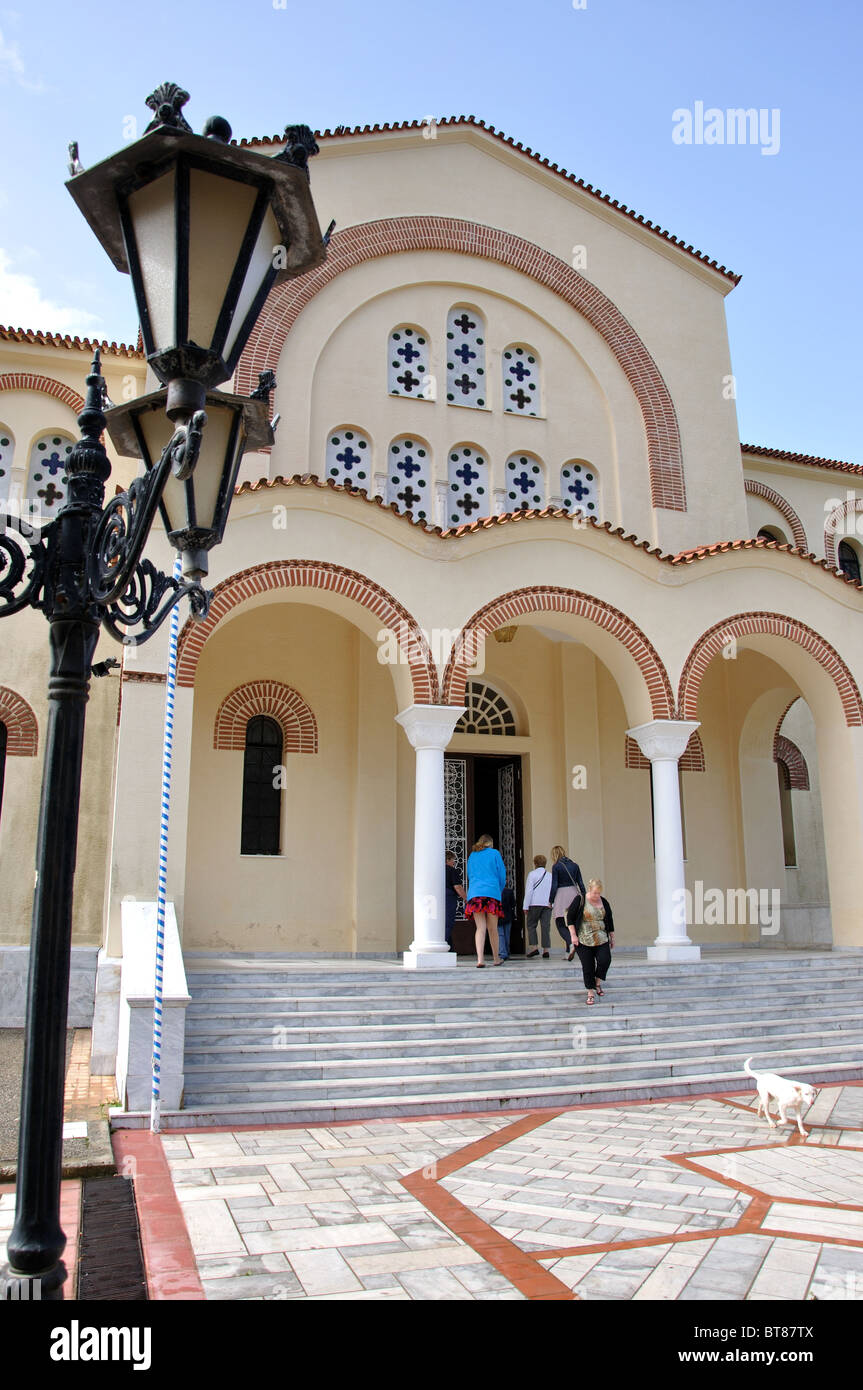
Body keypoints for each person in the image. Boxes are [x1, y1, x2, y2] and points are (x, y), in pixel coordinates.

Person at [568, 877, 615, 1006]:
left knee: (605, 960)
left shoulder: (604, 902)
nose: (596, 895)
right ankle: (590, 992)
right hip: (584, 939)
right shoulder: (581, 899)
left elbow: (609, 920)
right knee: (588, 966)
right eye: (595, 893)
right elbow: (570, 918)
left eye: (599, 893)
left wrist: (612, 937)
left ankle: (597, 982)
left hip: (601, 937)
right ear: (590, 890)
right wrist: (573, 936)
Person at [464, 833, 506, 967]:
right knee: (493, 928)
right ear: (490, 843)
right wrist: (499, 890)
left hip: (475, 894)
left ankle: (480, 959)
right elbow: (502, 875)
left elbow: (469, 874)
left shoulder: (472, 855)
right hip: (492, 892)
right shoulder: (495, 853)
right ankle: (496, 958)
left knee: (480, 928)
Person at [549, 845, 586, 959]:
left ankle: (571, 943)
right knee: (571, 922)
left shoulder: (556, 866)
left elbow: (554, 885)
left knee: (560, 922)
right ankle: (567, 952)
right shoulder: (575, 865)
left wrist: (550, 900)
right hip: (574, 894)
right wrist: (584, 897)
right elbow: (580, 882)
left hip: (561, 895)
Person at [523, 854, 553, 958]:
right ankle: (546, 950)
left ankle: (534, 948)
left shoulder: (532, 874)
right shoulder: (550, 875)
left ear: (535, 863)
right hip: (547, 904)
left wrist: (525, 906)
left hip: (534, 903)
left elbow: (529, 891)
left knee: (531, 925)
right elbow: (553, 890)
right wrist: (552, 903)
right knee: (545, 927)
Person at [444, 851, 465, 951]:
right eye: (453, 860)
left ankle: (449, 948)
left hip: (437, 900)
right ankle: (443, 946)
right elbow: (457, 887)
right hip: (449, 899)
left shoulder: (436, 870)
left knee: (441, 923)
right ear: (448, 859)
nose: (454, 862)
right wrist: (466, 899)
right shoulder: (452, 871)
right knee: (448, 923)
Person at [498, 882, 516, 961]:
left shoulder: (495, 891)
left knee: (500, 935)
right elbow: (513, 904)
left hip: (498, 915)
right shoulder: (509, 891)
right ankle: (507, 952)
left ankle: (502, 953)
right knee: (507, 934)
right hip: (508, 915)